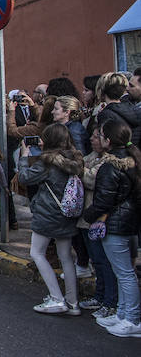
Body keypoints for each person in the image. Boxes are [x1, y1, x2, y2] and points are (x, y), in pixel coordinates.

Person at [81, 120, 141, 337]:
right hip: (127, 222)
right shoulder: (132, 160)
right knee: (124, 271)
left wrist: (88, 215)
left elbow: (103, 200)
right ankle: (124, 314)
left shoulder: (110, 166)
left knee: (124, 273)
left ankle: (131, 318)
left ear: (108, 140)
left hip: (115, 223)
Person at [18, 123, 83, 316]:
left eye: (43, 138)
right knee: (66, 258)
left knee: (37, 253)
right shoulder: (75, 160)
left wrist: (23, 157)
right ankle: (73, 302)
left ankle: (56, 298)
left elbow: (24, 178)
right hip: (67, 213)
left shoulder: (46, 163)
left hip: (47, 214)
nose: (40, 141)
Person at [78, 125, 118, 320]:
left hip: (98, 217)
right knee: (97, 261)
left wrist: (80, 168)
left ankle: (109, 301)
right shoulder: (92, 157)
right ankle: (100, 296)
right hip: (87, 216)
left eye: (97, 136)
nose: (93, 139)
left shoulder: (109, 162)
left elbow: (90, 179)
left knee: (103, 261)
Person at [95, 73, 141, 145]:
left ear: (101, 90)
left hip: (115, 153)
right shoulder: (134, 109)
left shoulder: (105, 114)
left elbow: (105, 142)